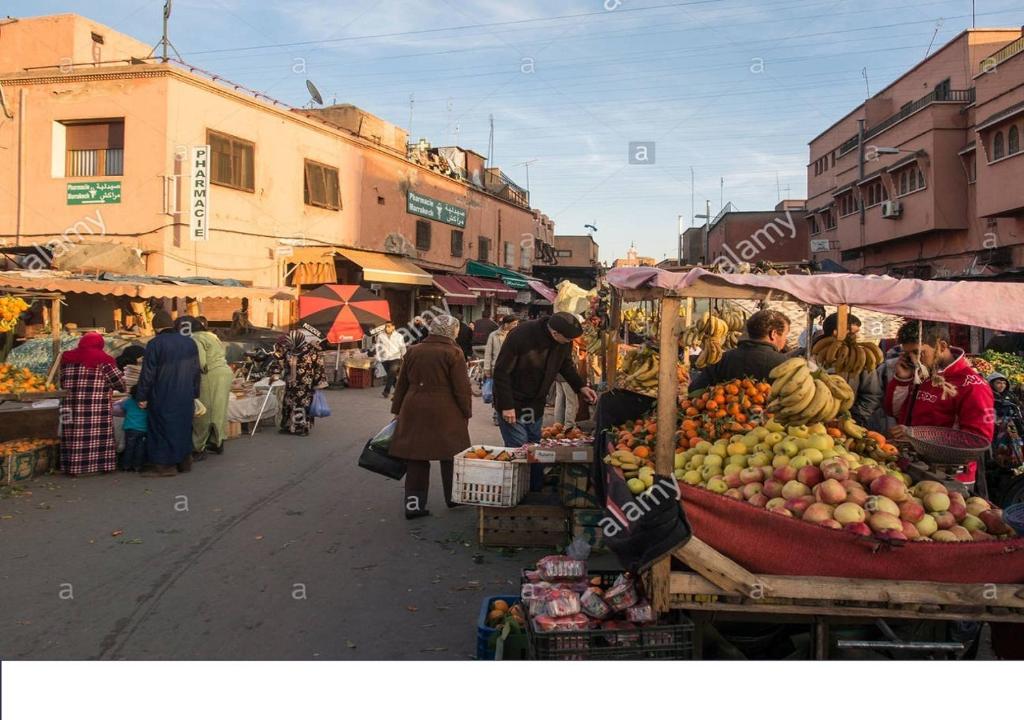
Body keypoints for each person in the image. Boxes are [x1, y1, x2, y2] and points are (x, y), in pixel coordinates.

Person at [492, 312, 598, 490]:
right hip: (514, 401)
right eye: (567, 339)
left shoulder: (563, 341)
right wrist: (507, 405)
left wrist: (580, 386)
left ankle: (534, 487)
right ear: (555, 333)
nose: (569, 342)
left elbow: (565, 365)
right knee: (520, 447)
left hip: (536, 403)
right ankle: (516, 490)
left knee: (535, 447)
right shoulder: (521, 334)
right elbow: (501, 372)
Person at [885, 320, 994, 485]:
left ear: (941, 346)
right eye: (908, 354)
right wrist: (902, 379)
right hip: (914, 468)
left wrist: (916, 436)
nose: (914, 360)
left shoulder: (972, 385)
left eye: (918, 353)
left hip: (949, 479)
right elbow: (895, 411)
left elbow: (977, 441)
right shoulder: (925, 374)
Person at [389, 315, 472, 519]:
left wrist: (397, 410)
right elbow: (461, 387)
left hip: (413, 406)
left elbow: (402, 384)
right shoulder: (453, 352)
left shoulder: (413, 351)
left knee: (416, 458)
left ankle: (414, 506)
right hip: (446, 410)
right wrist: (466, 411)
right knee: (451, 455)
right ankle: (454, 498)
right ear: (452, 332)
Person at [135, 311, 201, 476]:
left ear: (156, 327)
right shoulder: (189, 343)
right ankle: (184, 462)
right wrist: (195, 393)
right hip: (185, 393)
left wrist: (141, 396)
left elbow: (147, 374)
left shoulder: (154, 344)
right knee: (183, 426)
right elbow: (196, 371)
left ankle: (164, 466)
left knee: (161, 428)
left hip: (162, 393)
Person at [59, 332, 125, 476]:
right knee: (98, 436)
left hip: (69, 406)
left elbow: (61, 381)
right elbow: (119, 382)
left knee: (72, 434)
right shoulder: (104, 359)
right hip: (96, 407)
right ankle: (102, 465)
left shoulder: (66, 358)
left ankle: (73, 467)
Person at [690, 309, 790, 391]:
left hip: (724, 413)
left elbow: (695, 390)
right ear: (773, 334)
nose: (785, 341)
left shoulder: (721, 360)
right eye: (785, 335)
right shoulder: (785, 364)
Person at [815, 312, 884, 428]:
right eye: (852, 333)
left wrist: (855, 417)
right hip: (811, 422)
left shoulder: (861, 360)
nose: (855, 338)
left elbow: (872, 395)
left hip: (846, 423)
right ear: (836, 332)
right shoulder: (806, 356)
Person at [188, 316, 233, 458]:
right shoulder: (213, 336)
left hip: (210, 374)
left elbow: (201, 361)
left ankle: (198, 447)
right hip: (224, 373)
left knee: (203, 412)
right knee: (219, 410)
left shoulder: (195, 337)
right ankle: (217, 442)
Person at [272, 330, 327, 437]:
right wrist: (276, 374)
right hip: (290, 384)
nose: (289, 344)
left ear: (298, 340)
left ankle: (302, 428)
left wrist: (318, 383)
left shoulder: (312, 351)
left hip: (305, 386)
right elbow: (281, 363)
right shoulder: (289, 351)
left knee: (301, 406)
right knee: (288, 404)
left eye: (291, 342)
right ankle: (288, 426)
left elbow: (319, 367)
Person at [483, 315, 519, 425]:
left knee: (510, 392)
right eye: (514, 324)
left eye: (517, 324)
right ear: (506, 324)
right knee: (497, 392)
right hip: (497, 368)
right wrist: (487, 368)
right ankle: (496, 414)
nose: (516, 326)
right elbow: (488, 352)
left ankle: (511, 412)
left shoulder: (517, 335)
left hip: (513, 369)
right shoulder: (494, 335)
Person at [114, 384, 148, 472]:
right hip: (143, 429)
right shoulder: (148, 404)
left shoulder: (129, 402)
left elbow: (120, 407)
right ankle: (137, 467)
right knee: (140, 448)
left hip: (130, 428)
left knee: (129, 448)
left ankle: (126, 466)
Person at [376, 322, 406, 399]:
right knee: (391, 376)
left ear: (393, 327)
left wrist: (404, 356)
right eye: (385, 327)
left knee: (391, 373)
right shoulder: (380, 336)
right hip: (385, 358)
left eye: (389, 326)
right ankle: (400, 391)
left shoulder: (399, 336)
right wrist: (378, 357)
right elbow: (378, 347)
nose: (387, 328)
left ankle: (386, 391)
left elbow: (402, 347)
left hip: (396, 357)